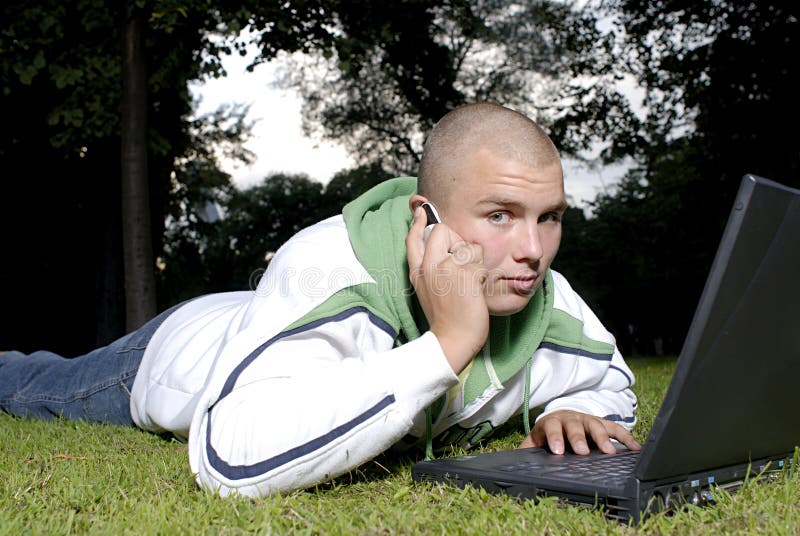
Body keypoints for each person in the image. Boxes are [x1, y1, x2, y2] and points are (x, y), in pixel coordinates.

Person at [0, 102, 640, 497]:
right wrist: (447, 344)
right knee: (32, 385)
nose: (532, 249)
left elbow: (610, 376)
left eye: (549, 217)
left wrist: (579, 407)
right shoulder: (333, 262)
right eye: (500, 215)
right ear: (428, 218)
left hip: (264, 317)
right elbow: (228, 457)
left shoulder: (538, 289)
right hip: (175, 355)